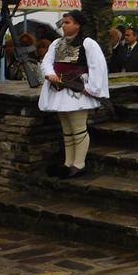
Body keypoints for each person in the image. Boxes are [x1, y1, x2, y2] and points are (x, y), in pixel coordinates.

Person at [39, 10, 109, 179]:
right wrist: (49, 74)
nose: (63, 25)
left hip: (77, 88)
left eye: (68, 22)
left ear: (78, 24)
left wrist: (92, 88)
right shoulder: (56, 43)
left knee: (78, 128)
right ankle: (67, 163)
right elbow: (47, 62)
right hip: (59, 89)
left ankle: (79, 163)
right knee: (67, 129)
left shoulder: (88, 43)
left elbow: (97, 66)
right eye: (63, 22)